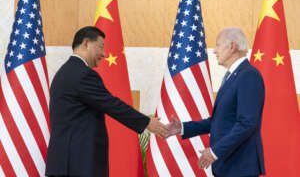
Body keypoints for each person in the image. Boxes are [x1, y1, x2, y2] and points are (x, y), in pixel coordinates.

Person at [45, 26, 168, 177]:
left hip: (65, 163)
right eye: (101, 47)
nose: (103, 54)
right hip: (79, 164)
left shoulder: (64, 72)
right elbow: (111, 104)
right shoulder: (83, 74)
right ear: (86, 43)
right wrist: (146, 122)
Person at [167, 27, 265, 177]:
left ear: (232, 46)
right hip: (227, 166)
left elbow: (247, 123)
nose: (214, 50)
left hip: (240, 167)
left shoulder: (249, 75)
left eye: (218, 45)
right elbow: (218, 121)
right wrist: (182, 128)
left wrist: (214, 152)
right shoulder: (234, 76)